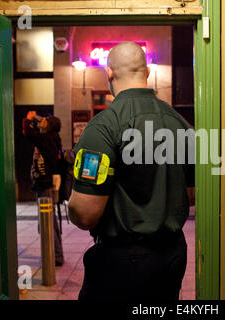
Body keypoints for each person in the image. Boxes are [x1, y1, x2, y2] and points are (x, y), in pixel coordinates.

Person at [68, 41, 195, 301]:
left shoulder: (103, 127)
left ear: (110, 72)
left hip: (122, 263)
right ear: (147, 72)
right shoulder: (180, 123)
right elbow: (190, 192)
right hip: (172, 255)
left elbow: (85, 214)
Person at [23, 112, 65, 267]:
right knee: (49, 222)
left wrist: (28, 118)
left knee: (48, 222)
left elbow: (29, 133)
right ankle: (56, 254)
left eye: (45, 120)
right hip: (43, 185)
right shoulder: (49, 138)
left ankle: (56, 256)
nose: (42, 121)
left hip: (45, 186)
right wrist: (36, 120)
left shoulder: (47, 139)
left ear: (49, 126)